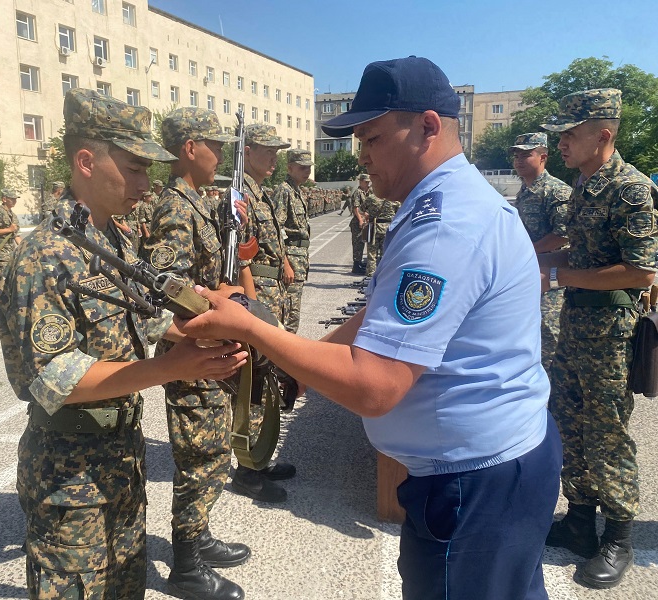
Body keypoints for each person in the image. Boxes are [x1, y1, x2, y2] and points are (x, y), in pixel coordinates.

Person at [178, 57, 561, 600]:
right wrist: (307, 366)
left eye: (374, 138)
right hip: (491, 468)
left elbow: (375, 387)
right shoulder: (437, 204)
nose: (362, 155)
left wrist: (251, 328)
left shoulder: (444, 225)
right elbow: (379, 318)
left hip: (474, 485)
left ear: (428, 126)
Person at [0, 88, 247, 600]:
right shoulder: (43, 255)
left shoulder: (116, 243)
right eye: (133, 169)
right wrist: (173, 368)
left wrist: (204, 338)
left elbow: (145, 321)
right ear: (86, 161)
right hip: (70, 475)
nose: (145, 183)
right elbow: (50, 381)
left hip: (121, 458)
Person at [539, 88, 658, 588]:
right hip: (575, 325)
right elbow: (578, 255)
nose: (561, 142)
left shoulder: (629, 188)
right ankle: (581, 521)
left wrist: (560, 279)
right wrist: (534, 263)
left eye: (571, 133)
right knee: (569, 421)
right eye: (561, 133)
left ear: (603, 135)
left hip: (610, 330)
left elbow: (641, 272)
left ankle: (620, 536)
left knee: (607, 430)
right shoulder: (583, 186)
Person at [141, 106, 250, 600]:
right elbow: (166, 290)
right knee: (200, 457)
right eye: (216, 144)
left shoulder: (199, 203)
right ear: (189, 148)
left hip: (210, 349)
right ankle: (185, 566)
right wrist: (217, 299)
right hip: (192, 355)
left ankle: (198, 534)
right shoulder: (175, 208)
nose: (222, 153)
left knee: (214, 451)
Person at [233, 124, 296, 503]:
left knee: (269, 374)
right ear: (249, 150)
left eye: (277, 151)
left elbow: (271, 241)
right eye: (268, 151)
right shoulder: (241, 194)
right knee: (255, 377)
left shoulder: (263, 193)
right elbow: (241, 254)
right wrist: (254, 307)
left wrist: (285, 261)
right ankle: (247, 468)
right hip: (259, 291)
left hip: (273, 290)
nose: (275, 158)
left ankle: (262, 455)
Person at [509, 132, 571, 373]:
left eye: (526, 154)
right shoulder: (525, 191)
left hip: (551, 278)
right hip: (527, 272)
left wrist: (527, 251)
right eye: (516, 155)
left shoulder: (556, 191)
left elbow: (564, 234)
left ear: (543, 156)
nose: (519, 160)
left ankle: (552, 401)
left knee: (549, 340)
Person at [272, 148, 312, 333]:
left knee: (293, 312)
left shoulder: (296, 191)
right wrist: (285, 263)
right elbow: (276, 229)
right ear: (289, 168)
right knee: (289, 313)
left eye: (309, 167)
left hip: (300, 258)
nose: (307, 171)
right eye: (302, 167)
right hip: (291, 259)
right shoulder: (284, 191)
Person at [362, 191, 401, 278]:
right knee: (386, 253)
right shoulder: (394, 199)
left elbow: (362, 209)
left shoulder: (371, 198)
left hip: (374, 227)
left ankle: (371, 274)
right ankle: (385, 274)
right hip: (389, 228)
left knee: (372, 253)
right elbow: (399, 212)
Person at [0, 189, 22, 282]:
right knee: (3, 281)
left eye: (15, 199)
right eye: (12, 199)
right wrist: (8, 229)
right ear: (4, 199)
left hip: (11, 252)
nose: (15, 201)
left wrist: (23, 247)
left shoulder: (12, 215)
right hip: (0, 252)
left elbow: (16, 235)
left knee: (12, 281)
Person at [349, 174, 370, 274]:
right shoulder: (357, 192)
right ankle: (356, 265)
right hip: (357, 222)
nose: (367, 183)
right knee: (358, 243)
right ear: (360, 181)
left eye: (368, 181)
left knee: (364, 242)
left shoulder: (368, 192)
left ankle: (360, 263)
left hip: (366, 221)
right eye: (365, 182)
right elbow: (355, 208)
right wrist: (360, 220)